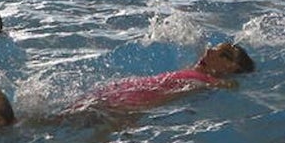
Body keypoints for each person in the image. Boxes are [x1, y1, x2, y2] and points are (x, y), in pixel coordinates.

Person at [62, 41, 255, 117]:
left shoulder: (206, 81)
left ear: (230, 66)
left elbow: (171, 94)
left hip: (127, 101)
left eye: (219, 52)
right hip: (121, 93)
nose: (209, 49)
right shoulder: (196, 72)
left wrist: (134, 111)